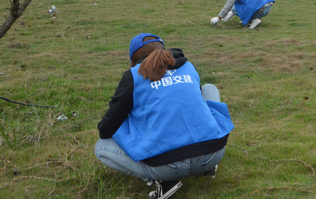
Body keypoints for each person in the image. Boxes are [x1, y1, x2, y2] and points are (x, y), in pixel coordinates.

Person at [95, 33, 234, 199]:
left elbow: (106, 129)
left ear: (134, 58)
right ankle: (206, 167)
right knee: (209, 88)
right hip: (213, 154)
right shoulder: (188, 66)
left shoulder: (132, 76)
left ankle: (164, 181)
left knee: (101, 147)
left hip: (166, 166)